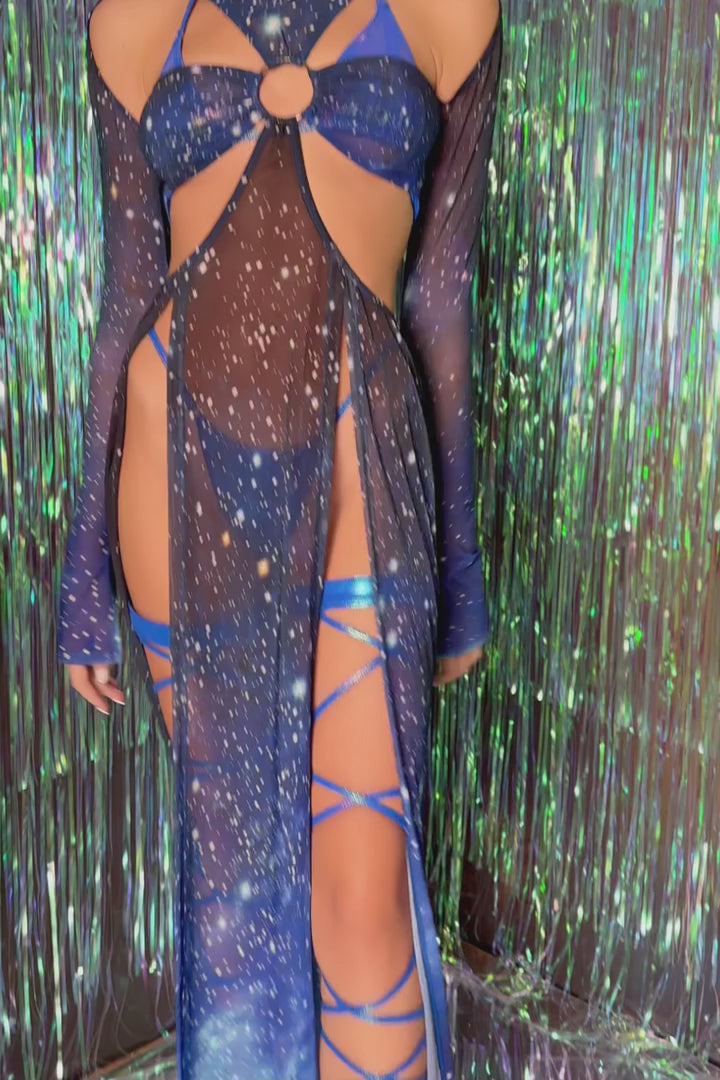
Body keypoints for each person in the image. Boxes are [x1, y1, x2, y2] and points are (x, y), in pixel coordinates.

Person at [56, 0, 502, 1076]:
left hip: (363, 465)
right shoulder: (131, 19)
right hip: (174, 473)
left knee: (363, 911)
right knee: (239, 907)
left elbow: (441, 304)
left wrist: (460, 573)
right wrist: (79, 574)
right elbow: (127, 292)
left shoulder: (455, 12)